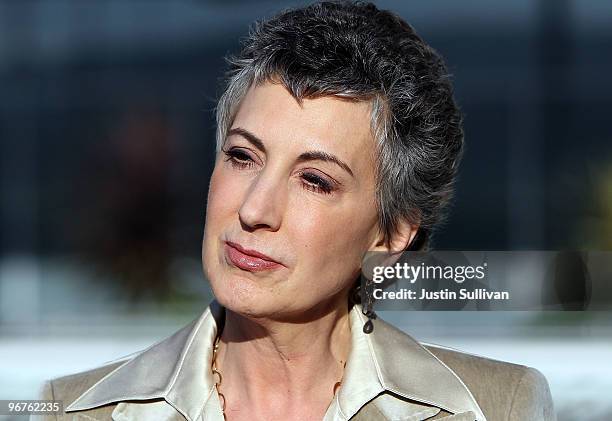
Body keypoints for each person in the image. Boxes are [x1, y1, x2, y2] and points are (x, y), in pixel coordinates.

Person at [33, 1, 556, 420]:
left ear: (393, 232)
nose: (255, 209)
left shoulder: (496, 407)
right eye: (242, 156)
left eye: (314, 180)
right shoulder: (75, 411)